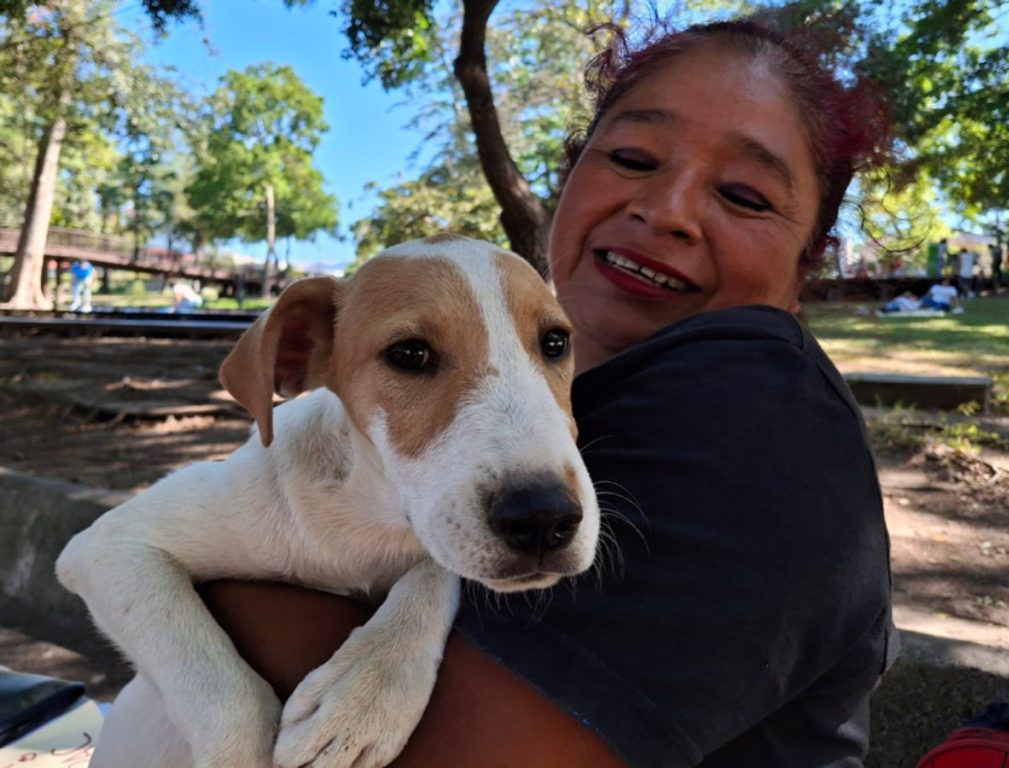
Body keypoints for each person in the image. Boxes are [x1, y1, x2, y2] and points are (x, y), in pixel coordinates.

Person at [94, 12, 897, 767]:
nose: (667, 211)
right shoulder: (619, 396)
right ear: (571, 174)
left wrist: (371, 607)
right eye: (632, 159)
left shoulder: (763, 421)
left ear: (808, 263)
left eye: (745, 196)